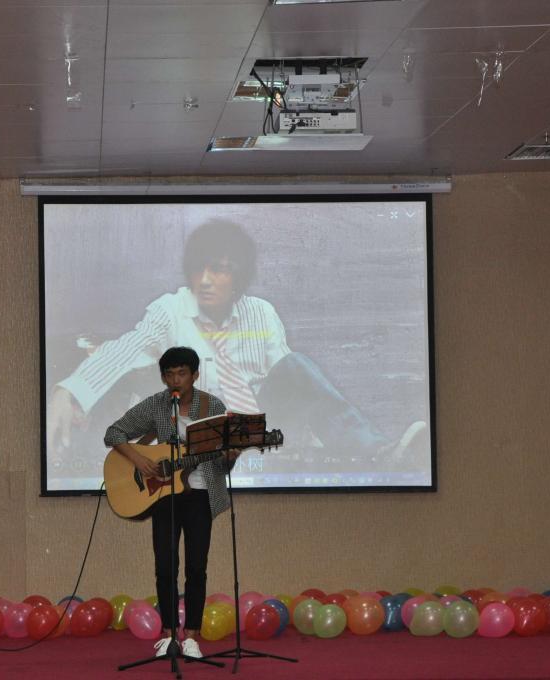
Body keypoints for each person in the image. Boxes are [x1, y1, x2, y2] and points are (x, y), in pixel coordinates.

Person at [48, 219, 426, 476]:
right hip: (201, 438)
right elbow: (123, 351)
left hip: (256, 428)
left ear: (238, 276)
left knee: (296, 366)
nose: (206, 280)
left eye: (220, 269)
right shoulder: (170, 310)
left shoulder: (261, 314)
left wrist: (310, 437)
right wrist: (69, 391)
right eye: (200, 269)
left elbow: (294, 384)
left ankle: (378, 452)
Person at [105, 346, 237, 659]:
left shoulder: (212, 406)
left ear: (195, 375)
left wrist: (230, 455)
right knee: (165, 566)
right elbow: (114, 433)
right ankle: (168, 635)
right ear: (164, 378)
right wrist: (139, 459)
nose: (176, 380)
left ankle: (191, 636)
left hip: (201, 494)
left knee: (196, 567)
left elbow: (222, 464)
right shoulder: (157, 404)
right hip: (164, 497)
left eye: (182, 373)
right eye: (169, 374)